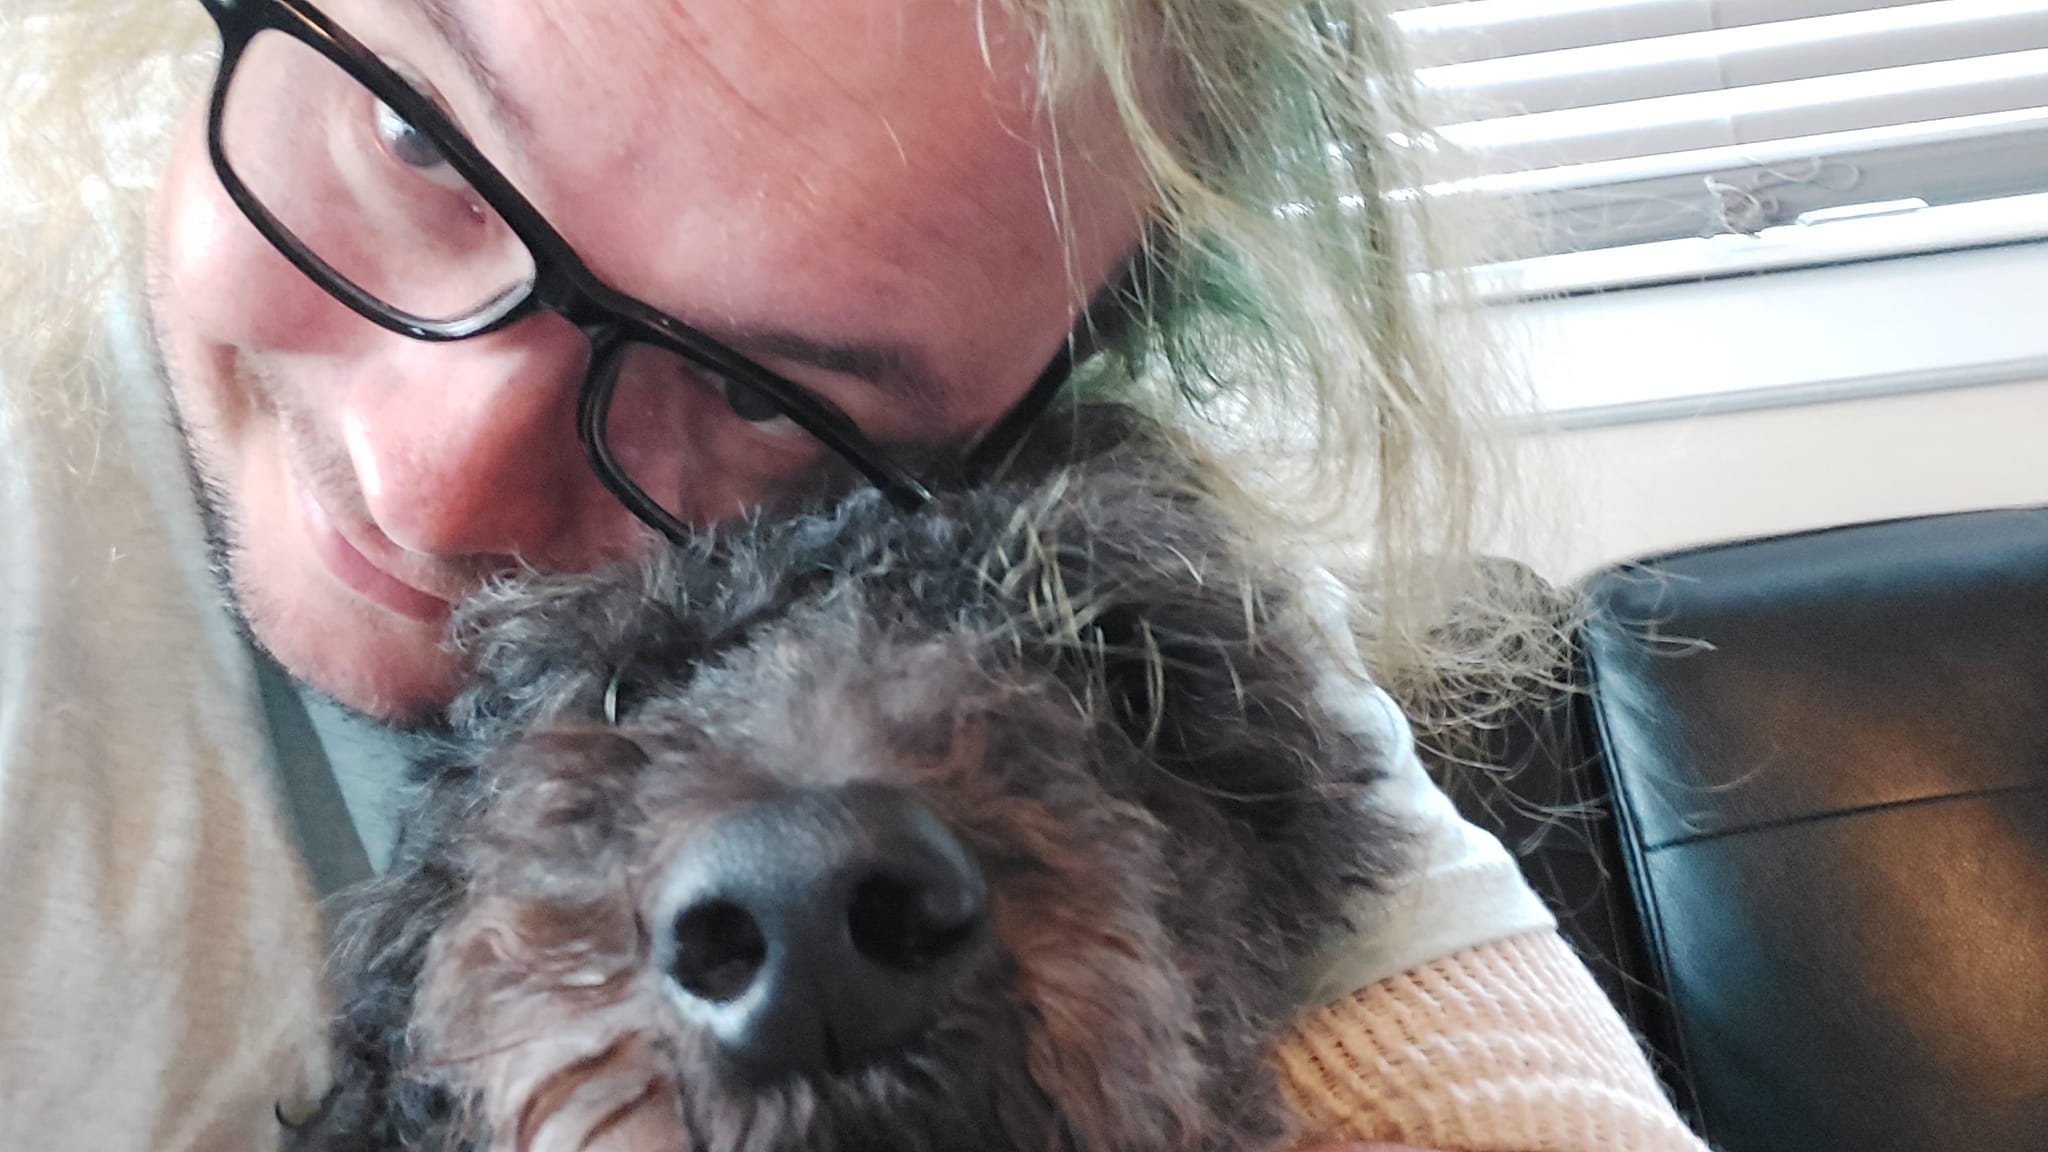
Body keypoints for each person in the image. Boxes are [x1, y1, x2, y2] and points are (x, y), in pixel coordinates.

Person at [0, 1, 1707, 1149]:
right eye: (419, 137)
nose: (431, 485)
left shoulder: (1098, 587)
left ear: (1040, 386)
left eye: (760, 388)